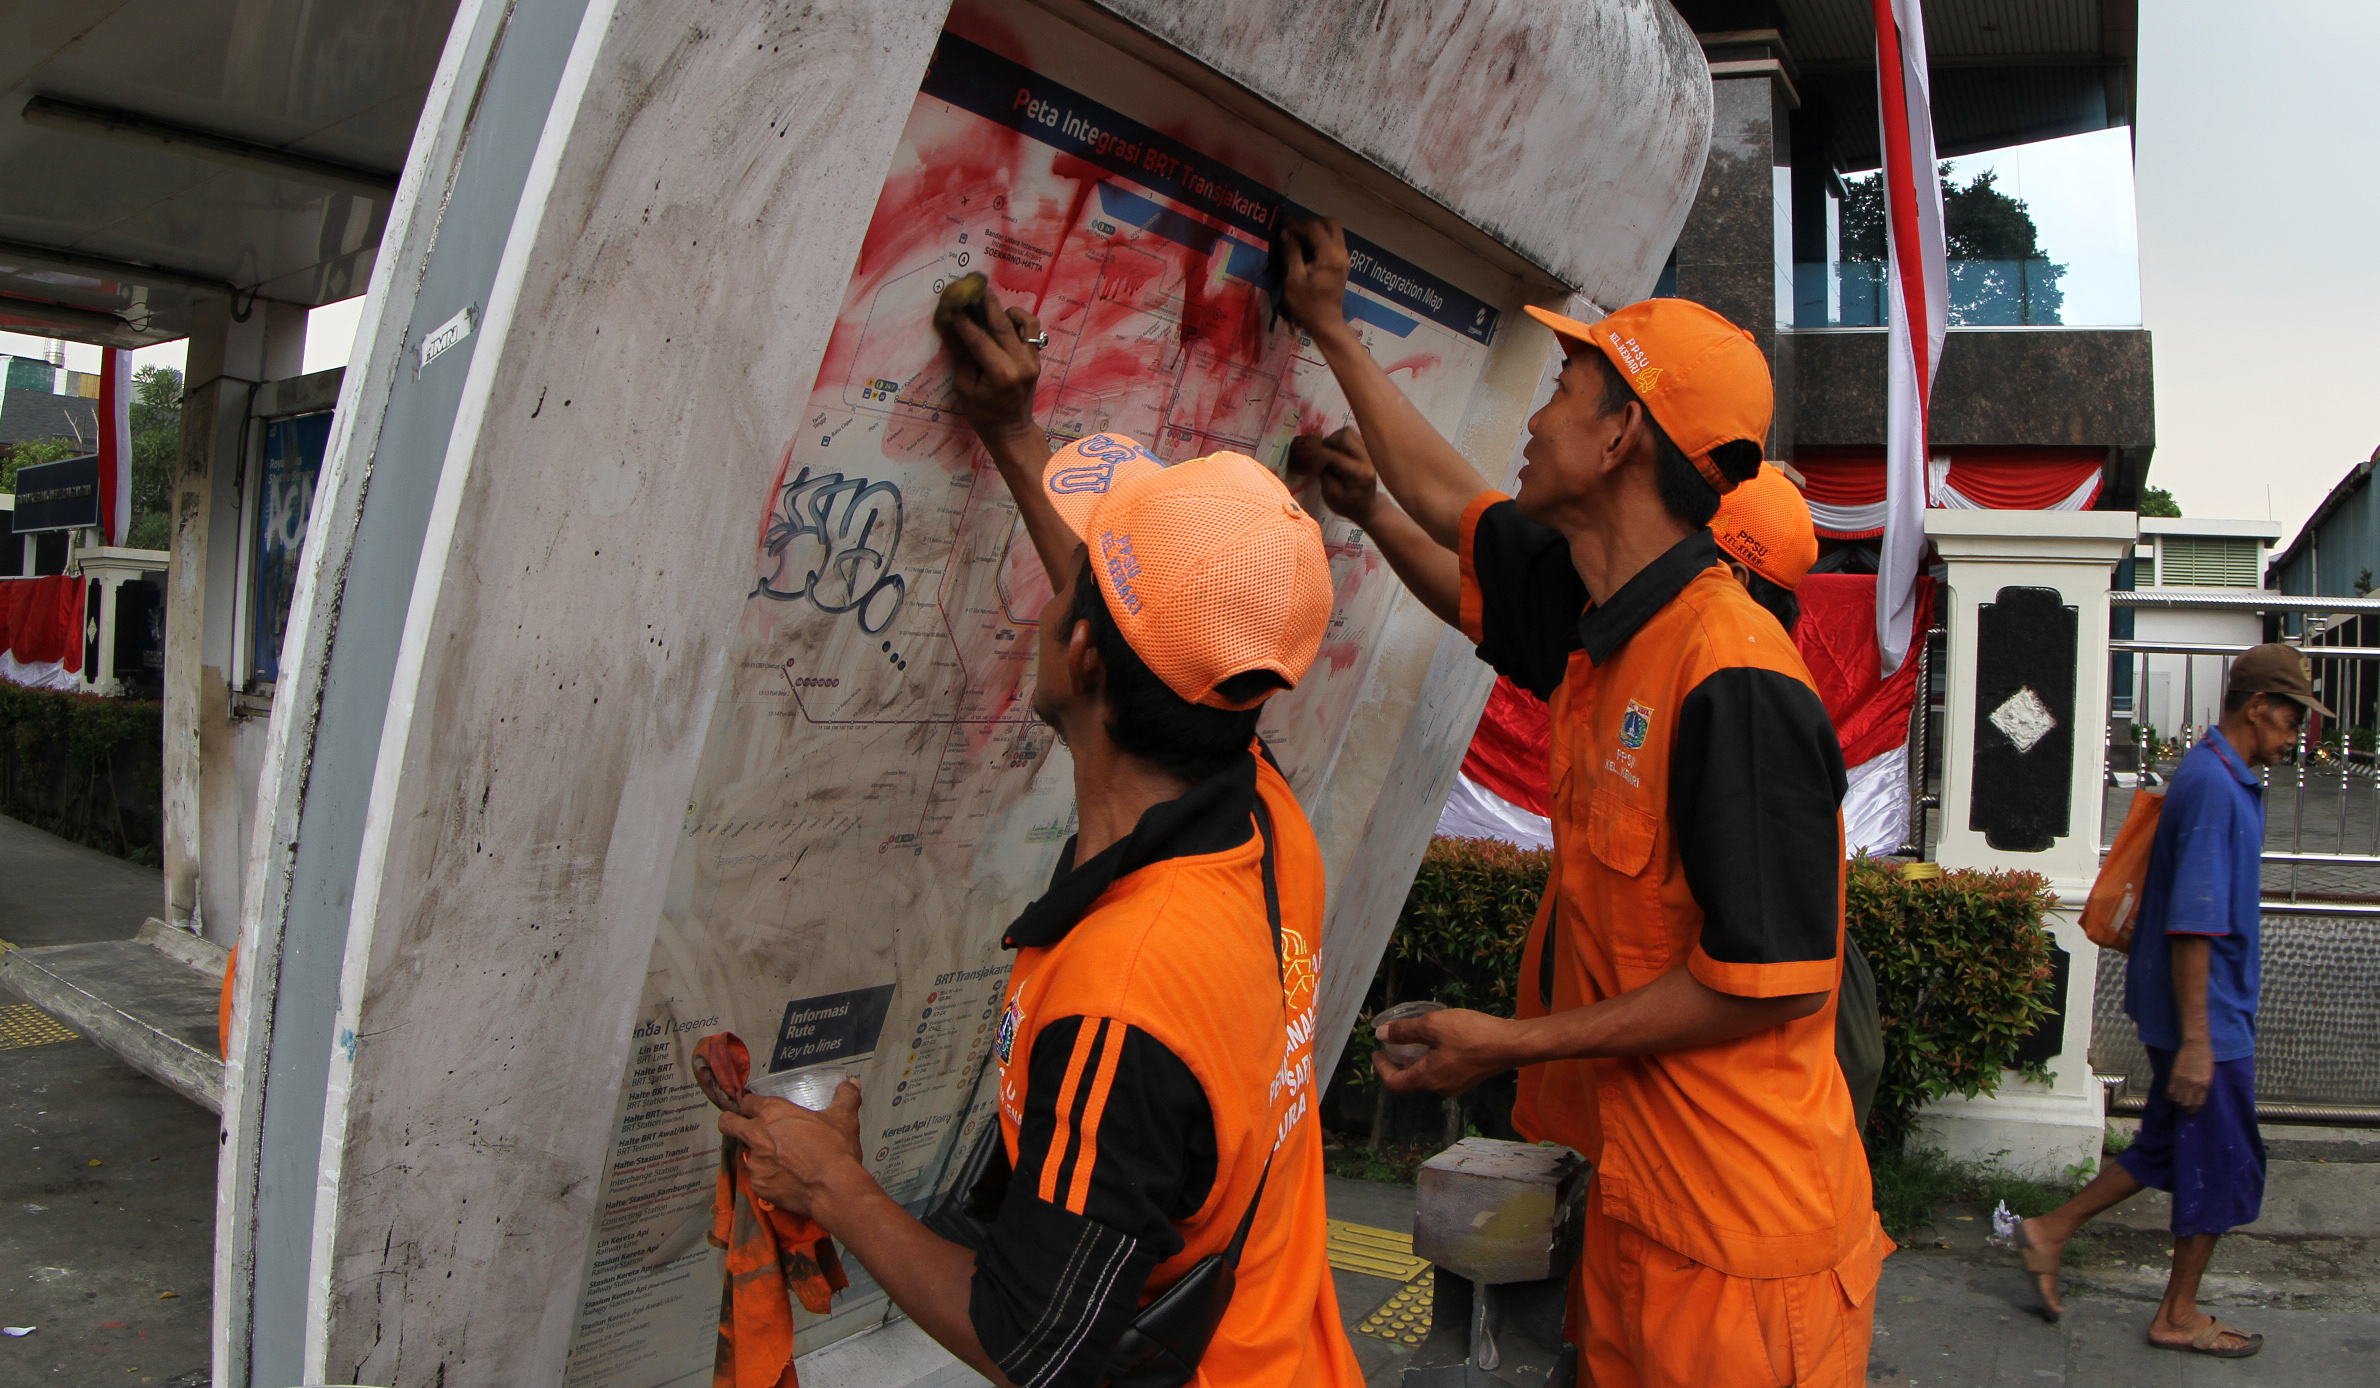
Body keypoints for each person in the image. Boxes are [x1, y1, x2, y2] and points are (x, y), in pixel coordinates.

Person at [1278, 218, 1887, 1388]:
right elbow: (1457, 506)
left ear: (1620, 436)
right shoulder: (1609, 619)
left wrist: (1510, 1041)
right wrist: (1330, 332)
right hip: (1637, 1217)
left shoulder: (1734, 677)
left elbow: (1762, 981)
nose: (1535, 414)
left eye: (1564, 386)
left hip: (1739, 1265)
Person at [717, 287, 1363, 1388]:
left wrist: (830, 1183)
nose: (1043, 608)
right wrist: (1014, 434)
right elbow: (1141, 623)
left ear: (1088, 657)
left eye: (1075, 596)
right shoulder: (1260, 813)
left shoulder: (1123, 1000)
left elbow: (1035, 1336)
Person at [2011, 644, 2318, 1357]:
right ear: (2258, 707)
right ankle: (2176, 1315)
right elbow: (2193, 924)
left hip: (2195, 1013)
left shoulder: (2221, 774)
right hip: (2203, 1018)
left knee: (2169, 1148)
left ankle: (2047, 1231)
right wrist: (2201, 1043)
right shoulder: (2214, 788)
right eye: (2293, 714)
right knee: (2221, 1164)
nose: (2298, 730)